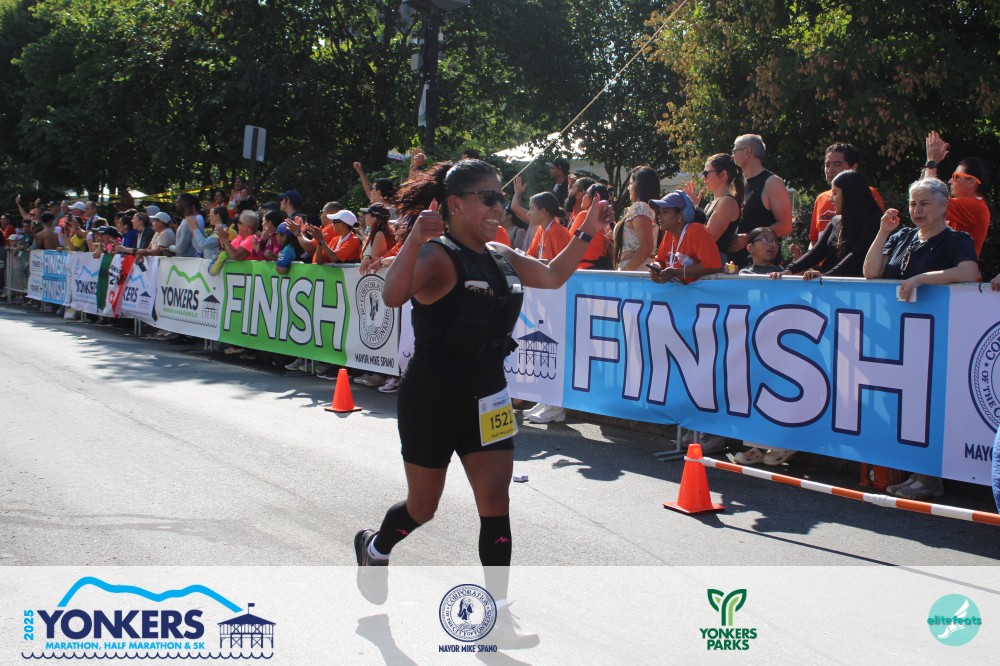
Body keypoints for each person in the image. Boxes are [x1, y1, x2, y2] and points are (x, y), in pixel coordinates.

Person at [355, 159, 608, 647]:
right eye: (488, 198)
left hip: (488, 394)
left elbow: (553, 276)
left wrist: (586, 230)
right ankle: (377, 546)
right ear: (455, 204)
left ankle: (497, 616)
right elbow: (392, 296)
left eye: (501, 197)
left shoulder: (501, 254)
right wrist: (413, 239)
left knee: (496, 503)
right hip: (432, 398)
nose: (499, 207)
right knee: (423, 508)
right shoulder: (436, 255)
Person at [865, 178, 979, 499]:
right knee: (903, 406)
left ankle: (929, 476)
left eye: (924, 203)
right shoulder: (901, 236)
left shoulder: (956, 239)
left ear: (943, 206)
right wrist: (882, 232)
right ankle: (913, 469)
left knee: (928, 404)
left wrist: (922, 278)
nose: (917, 209)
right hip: (897, 333)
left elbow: (969, 272)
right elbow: (871, 272)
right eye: (913, 203)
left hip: (936, 337)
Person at [772, 170, 881, 280]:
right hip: (832, 284)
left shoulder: (874, 221)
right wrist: (789, 270)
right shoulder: (836, 221)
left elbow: (856, 256)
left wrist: (826, 277)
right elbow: (817, 252)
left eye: (835, 193)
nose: (831, 199)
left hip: (858, 287)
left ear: (849, 194)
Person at [923, 131, 992, 255]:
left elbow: (925, 197)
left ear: (972, 182)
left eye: (955, 177)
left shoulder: (975, 206)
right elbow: (923, 197)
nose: (950, 181)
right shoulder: (969, 207)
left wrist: (932, 161)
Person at [729, 134, 793, 267]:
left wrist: (749, 238)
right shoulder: (741, 184)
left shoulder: (772, 182)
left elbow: (786, 226)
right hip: (738, 266)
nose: (732, 155)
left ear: (747, 151)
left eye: (735, 150)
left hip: (762, 270)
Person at [810, 143, 884, 248]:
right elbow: (814, 240)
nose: (830, 170)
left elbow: (876, 235)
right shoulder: (821, 198)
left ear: (853, 167)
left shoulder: (869, 193)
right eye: (827, 165)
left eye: (837, 165)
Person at [647, 191, 722, 285]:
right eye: (659, 212)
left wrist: (676, 272)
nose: (659, 216)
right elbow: (660, 260)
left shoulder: (696, 230)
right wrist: (656, 267)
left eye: (665, 212)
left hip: (698, 293)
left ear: (681, 215)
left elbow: (712, 265)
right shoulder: (669, 234)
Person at [685, 153, 744, 261]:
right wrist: (694, 208)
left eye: (706, 173)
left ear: (723, 175)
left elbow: (707, 238)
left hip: (714, 264)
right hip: (703, 262)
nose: (703, 177)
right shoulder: (710, 204)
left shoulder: (727, 202)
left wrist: (694, 209)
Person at [613, 166, 658, 271]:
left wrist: (626, 271)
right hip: (637, 269)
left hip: (634, 271)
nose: (628, 188)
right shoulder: (649, 209)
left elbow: (646, 247)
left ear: (639, 185)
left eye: (630, 183)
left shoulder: (640, 207)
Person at [568, 182, 614, 270]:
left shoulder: (584, 215)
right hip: (600, 268)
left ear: (594, 198)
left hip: (583, 268)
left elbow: (568, 240)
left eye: (586, 193)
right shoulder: (605, 220)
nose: (583, 196)